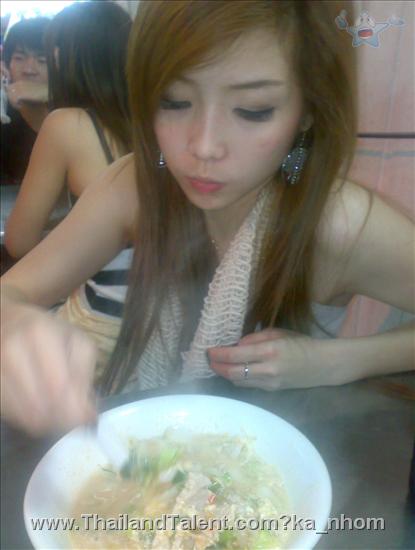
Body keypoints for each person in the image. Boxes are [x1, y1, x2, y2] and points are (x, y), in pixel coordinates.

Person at [1, 0, 414, 435]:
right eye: (173, 101)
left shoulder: (336, 223)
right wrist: (15, 327)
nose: (204, 146)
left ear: (308, 110)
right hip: (131, 439)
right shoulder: (134, 186)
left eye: (253, 109)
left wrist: (334, 361)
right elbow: (12, 292)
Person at [4, 1, 132, 257]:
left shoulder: (65, 124)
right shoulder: (157, 115)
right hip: (168, 274)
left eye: (43, 57)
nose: (30, 68)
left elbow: (19, 242)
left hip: (105, 277)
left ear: (60, 57)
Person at [1, 17, 50, 184]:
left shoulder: (72, 109)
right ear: (6, 64)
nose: (29, 70)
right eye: (19, 58)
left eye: (42, 60)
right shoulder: (3, 106)